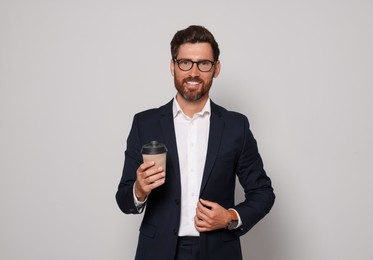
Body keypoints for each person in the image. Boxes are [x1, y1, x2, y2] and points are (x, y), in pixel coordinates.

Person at [116, 25, 275, 260]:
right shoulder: (144, 123)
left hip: (219, 250)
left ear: (216, 68)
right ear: (172, 66)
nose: (193, 72)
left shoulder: (235, 126)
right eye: (185, 63)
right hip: (157, 251)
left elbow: (263, 193)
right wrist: (139, 190)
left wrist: (230, 217)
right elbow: (124, 198)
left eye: (203, 63)